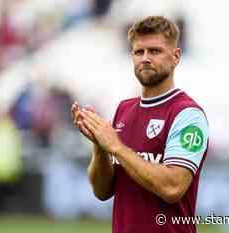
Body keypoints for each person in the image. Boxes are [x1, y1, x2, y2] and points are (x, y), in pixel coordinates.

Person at [71, 15, 209, 233]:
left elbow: (172, 187)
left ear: (175, 57)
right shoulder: (123, 110)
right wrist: (99, 146)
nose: (145, 58)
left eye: (155, 51)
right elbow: (102, 191)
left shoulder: (187, 115)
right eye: (139, 52)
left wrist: (116, 146)